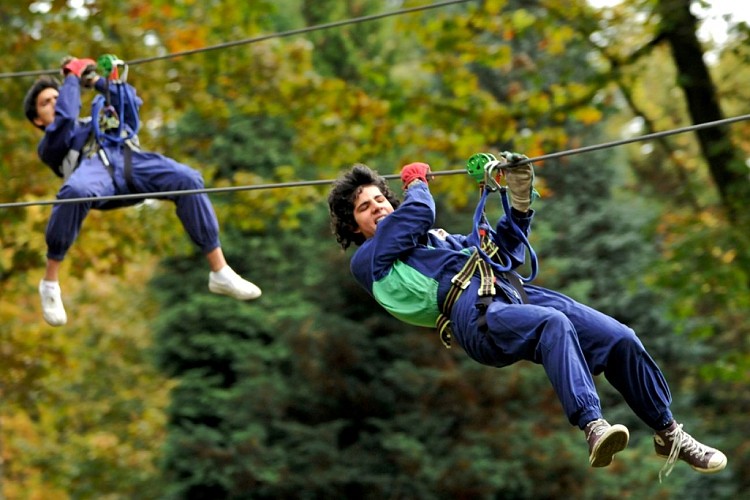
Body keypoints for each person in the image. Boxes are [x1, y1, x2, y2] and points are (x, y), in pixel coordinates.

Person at [327, 160, 726, 480]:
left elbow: (503, 253)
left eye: (381, 199)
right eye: (365, 206)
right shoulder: (369, 261)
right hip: (473, 313)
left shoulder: (440, 240)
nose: (378, 206)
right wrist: (418, 184)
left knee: (619, 338)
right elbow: (417, 212)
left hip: (508, 291)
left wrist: (519, 205)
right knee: (552, 324)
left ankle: (669, 434)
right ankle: (592, 425)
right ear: (354, 226)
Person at [23, 56, 261, 327]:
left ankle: (219, 270)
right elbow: (65, 118)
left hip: (130, 162)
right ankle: (50, 282)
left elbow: (131, 105)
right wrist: (71, 80)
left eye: (56, 97)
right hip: (95, 174)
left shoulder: (94, 121)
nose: (54, 103)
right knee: (75, 190)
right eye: (46, 103)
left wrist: (99, 82)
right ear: (37, 120)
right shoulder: (52, 142)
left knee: (188, 178)